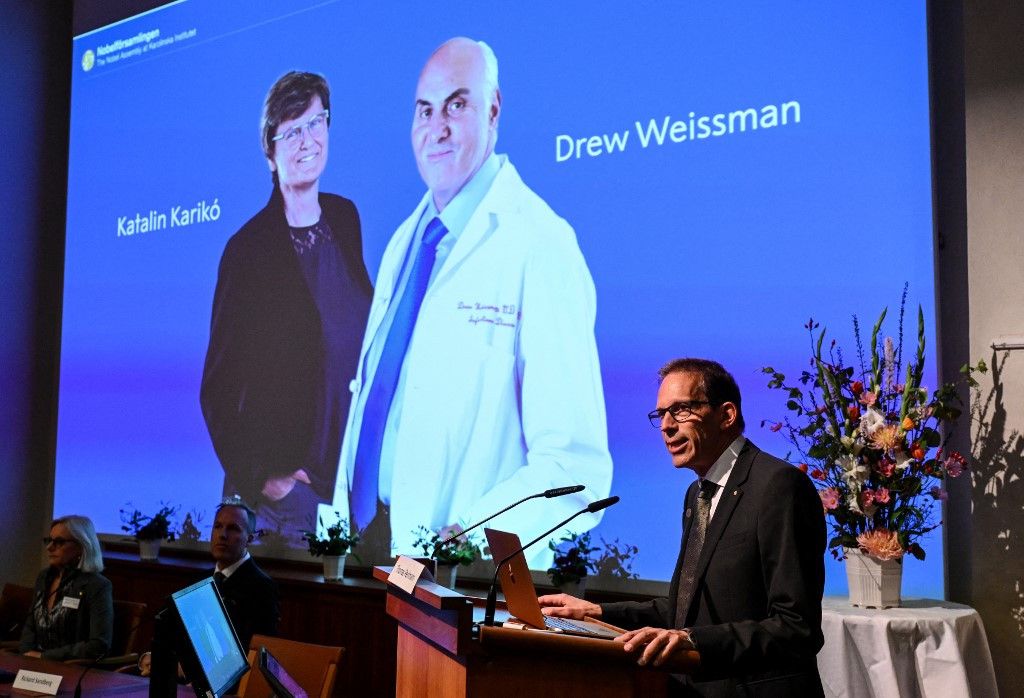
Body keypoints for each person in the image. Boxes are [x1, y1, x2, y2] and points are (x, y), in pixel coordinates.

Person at [323, 38, 612, 567]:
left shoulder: (541, 244)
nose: (438, 128)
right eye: (424, 110)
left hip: (458, 581)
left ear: (493, 109)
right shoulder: (404, 244)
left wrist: (473, 537)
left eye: (457, 105)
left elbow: (575, 468)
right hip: (362, 554)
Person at [539, 358, 825, 697]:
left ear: (727, 415)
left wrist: (692, 640)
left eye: (681, 410)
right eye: (660, 414)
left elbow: (796, 627)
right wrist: (596, 611)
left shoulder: (777, 487)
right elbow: (685, 608)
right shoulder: (697, 494)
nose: (667, 425)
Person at [201, 71, 373, 541]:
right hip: (284, 500)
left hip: (342, 486)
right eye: (292, 131)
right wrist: (265, 481)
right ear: (270, 154)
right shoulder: (248, 250)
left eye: (317, 123)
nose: (308, 141)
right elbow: (216, 387)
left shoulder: (344, 218)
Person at [19, 515, 113, 660]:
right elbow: (30, 628)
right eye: (49, 541)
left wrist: (44, 657)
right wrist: (25, 657)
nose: (49, 547)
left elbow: (98, 644)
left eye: (59, 542)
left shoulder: (97, 585)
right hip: (34, 666)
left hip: (70, 668)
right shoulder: (44, 577)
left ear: (82, 546)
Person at [208, 499, 279, 650]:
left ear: (250, 539)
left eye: (233, 528)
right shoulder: (200, 581)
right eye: (218, 526)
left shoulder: (263, 588)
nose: (222, 535)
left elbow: (254, 652)